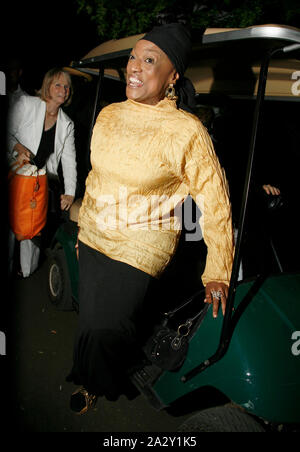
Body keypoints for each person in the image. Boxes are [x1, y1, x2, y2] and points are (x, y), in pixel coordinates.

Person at [67, 23, 234, 414]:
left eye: (149, 60)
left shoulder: (187, 132)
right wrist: (83, 228)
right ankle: (89, 376)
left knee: (105, 328)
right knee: (90, 318)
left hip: (140, 247)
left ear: (172, 76)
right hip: (94, 236)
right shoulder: (108, 115)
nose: (135, 67)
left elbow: (216, 203)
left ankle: (100, 379)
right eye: (132, 58)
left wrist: (218, 271)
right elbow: (96, 179)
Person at [7, 67, 77, 277]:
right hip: (15, 175)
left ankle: (27, 271)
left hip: (38, 181)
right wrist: (17, 148)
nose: (63, 90)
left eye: (66, 87)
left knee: (33, 225)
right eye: (58, 84)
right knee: (12, 221)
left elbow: (70, 160)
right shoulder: (27, 104)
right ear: (47, 86)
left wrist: (70, 192)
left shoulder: (67, 124)